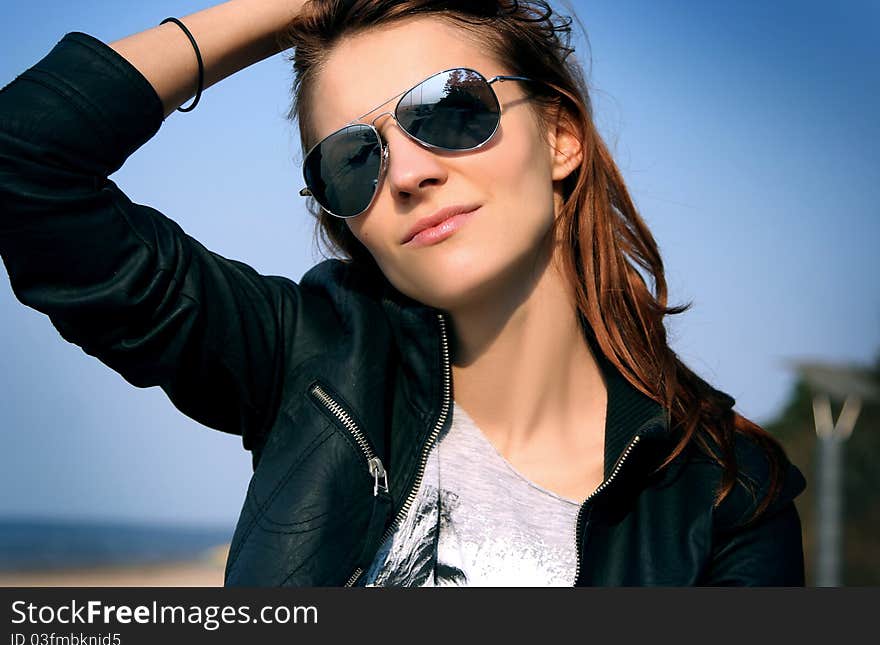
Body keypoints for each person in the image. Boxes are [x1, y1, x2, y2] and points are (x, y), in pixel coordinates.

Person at [0, 0, 806, 586]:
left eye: (451, 110)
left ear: (560, 135)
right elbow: (23, 161)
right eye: (354, 159)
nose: (412, 172)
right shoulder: (305, 360)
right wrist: (289, 8)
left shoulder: (725, 490)